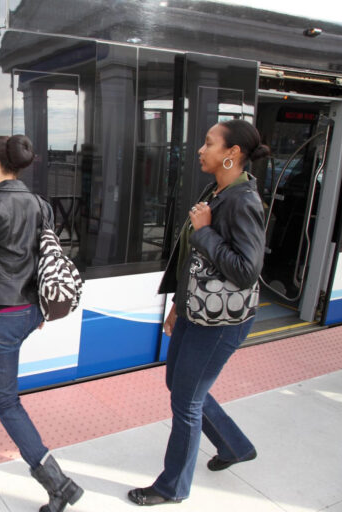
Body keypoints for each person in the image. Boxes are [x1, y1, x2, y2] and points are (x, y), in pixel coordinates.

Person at [128, 119, 268, 506]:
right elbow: (194, 261)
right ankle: (234, 445)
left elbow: (246, 270)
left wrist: (205, 231)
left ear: (232, 154)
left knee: (186, 403)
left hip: (220, 323)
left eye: (209, 143)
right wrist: (177, 306)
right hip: (196, 311)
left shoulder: (243, 200)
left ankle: (171, 488)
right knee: (180, 387)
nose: (200, 150)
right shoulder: (218, 189)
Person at [0, 135, 83, 512]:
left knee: (7, 400)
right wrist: (39, 308)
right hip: (30, 312)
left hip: (1, 316)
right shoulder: (39, 203)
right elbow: (45, 258)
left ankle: (57, 484)